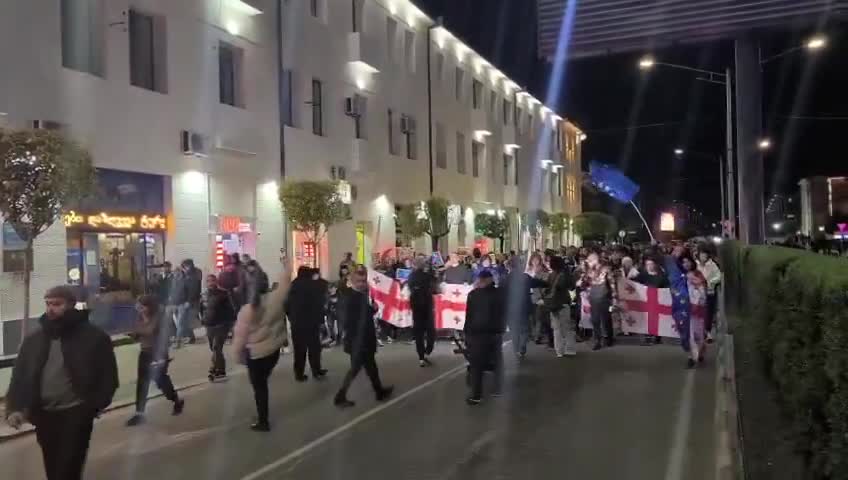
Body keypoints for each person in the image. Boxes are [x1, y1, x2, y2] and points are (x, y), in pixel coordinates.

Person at [5, 286, 118, 480]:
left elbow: (108, 376)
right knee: (53, 466)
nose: (50, 309)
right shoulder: (34, 340)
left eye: (57, 304)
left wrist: (94, 405)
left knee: (68, 469)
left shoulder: (94, 338)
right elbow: (20, 377)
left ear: (71, 305)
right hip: (45, 415)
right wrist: (14, 408)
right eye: (48, 304)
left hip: (76, 413)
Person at [232, 260, 291, 432]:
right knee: (263, 383)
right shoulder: (276, 298)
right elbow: (285, 282)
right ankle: (261, 416)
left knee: (260, 389)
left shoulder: (247, 310)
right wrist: (286, 265)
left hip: (257, 356)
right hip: (273, 352)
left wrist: (238, 358)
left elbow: (239, 340)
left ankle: (263, 421)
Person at [334, 268, 394, 408]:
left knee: (371, 367)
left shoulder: (362, 295)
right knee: (355, 369)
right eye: (359, 281)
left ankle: (379, 391)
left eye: (363, 281)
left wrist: (373, 309)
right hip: (358, 341)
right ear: (353, 282)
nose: (362, 283)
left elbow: (365, 315)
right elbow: (348, 320)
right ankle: (340, 396)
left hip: (365, 339)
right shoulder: (350, 297)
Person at [126, 295, 184, 426]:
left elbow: (159, 334)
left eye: (143, 306)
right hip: (145, 352)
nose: (140, 309)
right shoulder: (140, 317)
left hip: (158, 353)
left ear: (150, 306)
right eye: (139, 306)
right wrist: (135, 335)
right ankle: (139, 413)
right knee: (142, 382)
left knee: (160, 380)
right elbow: (138, 332)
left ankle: (176, 400)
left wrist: (161, 358)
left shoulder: (159, 318)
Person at [464, 270, 504, 405]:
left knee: (476, 365)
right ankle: (498, 389)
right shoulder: (499, 294)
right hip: (495, 333)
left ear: (481, 280)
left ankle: (476, 395)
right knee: (497, 362)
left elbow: (468, 316)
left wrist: (467, 334)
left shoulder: (473, 295)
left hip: (477, 334)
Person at [285, 266, 328, 381]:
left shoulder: (292, 286)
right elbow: (319, 304)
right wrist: (321, 321)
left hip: (297, 323)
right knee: (314, 348)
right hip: (311, 322)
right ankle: (316, 371)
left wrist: (291, 318)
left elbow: (286, 305)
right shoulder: (313, 286)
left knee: (299, 350)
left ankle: (299, 374)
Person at [501, 257, 547, 358]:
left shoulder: (504, 279)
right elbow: (537, 283)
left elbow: (501, 295)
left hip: (510, 309)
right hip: (524, 308)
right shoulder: (525, 277)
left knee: (514, 330)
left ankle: (516, 348)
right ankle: (522, 347)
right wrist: (548, 283)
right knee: (524, 329)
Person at [578, 252, 618, 350]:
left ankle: (609, 338)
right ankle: (597, 340)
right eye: (589, 261)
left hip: (604, 297)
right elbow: (583, 283)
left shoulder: (606, 269)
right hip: (593, 296)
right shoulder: (588, 271)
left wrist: (614, 297)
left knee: (606, 318)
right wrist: (583, 274)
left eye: (590, 261)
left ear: (596, 260)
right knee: (595, 320)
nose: (589, 263)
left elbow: (612, 283)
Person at [202, 274, 236, 380]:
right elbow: (202, 309)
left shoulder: (223, 294)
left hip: (221, 325)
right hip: (209, 325)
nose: (211, 283)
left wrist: (230, 324)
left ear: (216, 282)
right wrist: (203, 320)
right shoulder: (204, 295)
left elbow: (231, 310)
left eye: (213, 280)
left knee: (217, 347)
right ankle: (221, 370)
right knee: (214, 348)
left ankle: (213, 369)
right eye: (208, 281)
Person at [407, 257, 439, 367]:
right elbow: (435, 287)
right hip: (427, 306)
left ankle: (421, 357)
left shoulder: (411, 276)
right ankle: (428, 350)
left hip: (416, 306)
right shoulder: (427, 276)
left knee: (419, 333)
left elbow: (410, 288)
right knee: (431, 330)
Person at [544, 256, 577, 357]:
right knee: (567, 328)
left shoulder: (550, 275)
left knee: (556, 328)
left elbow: (546, 289)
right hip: (563, 303)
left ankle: (559, 350)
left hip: (553, 304)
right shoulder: (565, 275)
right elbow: (572, 287)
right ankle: (569, 349)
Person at [634, 256, 669, 345]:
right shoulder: (642, 275)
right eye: (647, 264)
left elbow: (666, 288)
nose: (649, 266)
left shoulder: (662, 276)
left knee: (657, 319)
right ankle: (648, 337)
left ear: (655, 265)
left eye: (651, 264)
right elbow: (633, 284)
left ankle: (657, 337)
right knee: (646, 319)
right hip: (645, 301)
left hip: (657, 301)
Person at [683, 253, 708, 367]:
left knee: (699, 334)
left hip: (698, 308)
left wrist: (699, 302)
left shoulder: (698, 274)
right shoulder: (681, 276)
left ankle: (701, 351)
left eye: (687, 261)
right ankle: (691, 357)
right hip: (686, 308)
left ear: (692, 262)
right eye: (683, 262)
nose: (686, 264)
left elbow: (702, 290)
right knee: (690, 333)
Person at [173, 259, 201, 347]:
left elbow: (194, 290)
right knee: (184, 322)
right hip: (180, 302)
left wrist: (188, 301)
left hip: (186, 302)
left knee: (181, 323)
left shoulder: (193, 276)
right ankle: (191, 337)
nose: (184, 268)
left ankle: (178, 342)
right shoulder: (183, 276)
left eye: (185, 266)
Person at [697, 250, 722, 343]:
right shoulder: (695, 264)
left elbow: (718, 276)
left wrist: (711, 282)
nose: (703, 257)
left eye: (705, 255)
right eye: (701, 255)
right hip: (698, 292)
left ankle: (707, 332)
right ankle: (700, 332)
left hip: (709, 292)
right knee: (699, 312)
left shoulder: (712, 265)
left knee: (708, 313)